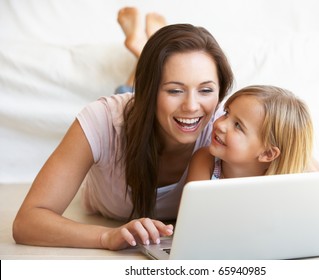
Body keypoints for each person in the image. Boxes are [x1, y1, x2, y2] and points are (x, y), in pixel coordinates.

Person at [12, 8, 234, 250]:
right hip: (133, 111)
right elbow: (26, 222)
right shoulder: (102, 120)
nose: (192, 106)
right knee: (125, 96)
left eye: (206, 90)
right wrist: (106, 237)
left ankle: (143, 48)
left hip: (145, 104)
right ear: (149, 90)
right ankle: (141, 50)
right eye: (174, 90)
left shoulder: (224, 126)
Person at [186, 85, 314, 182]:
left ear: (267, 153)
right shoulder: (205, 161)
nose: (220, 124)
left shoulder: (290, 181)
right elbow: (194, 216)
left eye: (238, 125)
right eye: (226, 113)